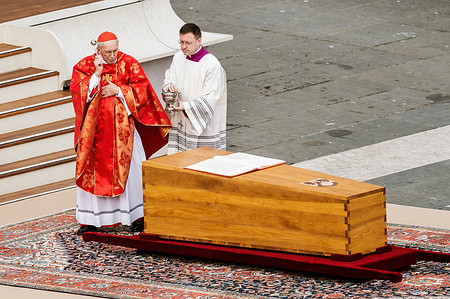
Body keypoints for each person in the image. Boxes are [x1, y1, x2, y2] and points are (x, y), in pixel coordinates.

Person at [70, 31, 171, 235]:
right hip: (95, 135)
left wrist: (119, 91)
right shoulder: (85, 66)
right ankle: (90, 219)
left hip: (124, 132)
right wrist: (96, 76)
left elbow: (144, 91)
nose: (112, 55)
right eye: (108, 52)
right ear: (98, 50)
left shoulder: (128, 63)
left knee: (132, 171)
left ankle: (136, 216)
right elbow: (77, 92)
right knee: (93, 173)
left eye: (115, 50)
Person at [162, 23, 227, 154]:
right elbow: (169, 76)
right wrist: (169, 85)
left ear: (199, 40)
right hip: (181, 120)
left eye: (188, 43)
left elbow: (211, 97)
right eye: (181, 42)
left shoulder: (211, 65)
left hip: (201, 124)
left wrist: (186, 107)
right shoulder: (178, 57)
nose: (184, 47)